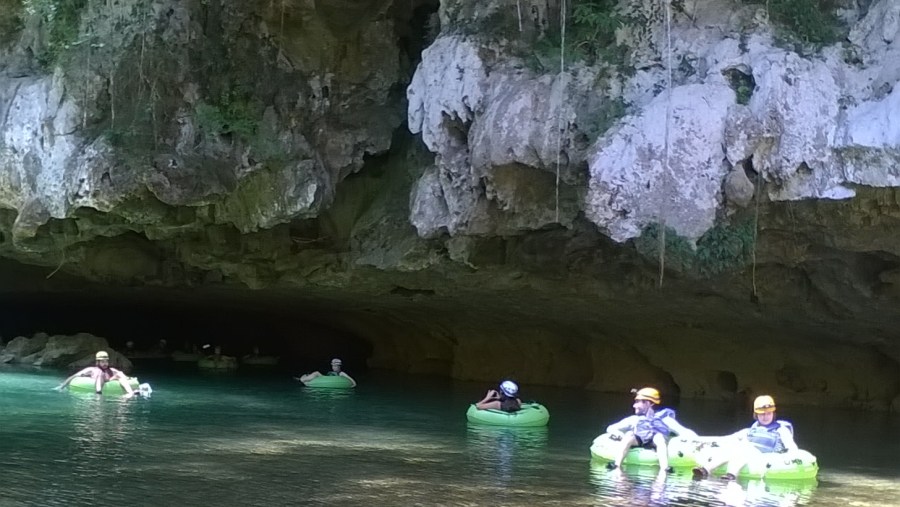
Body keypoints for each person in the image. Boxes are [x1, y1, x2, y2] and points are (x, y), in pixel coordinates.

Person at [692, 395, 798, 480]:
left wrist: (790, 457)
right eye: (762, 414)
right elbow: (730, 438)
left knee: (744, 450)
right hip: (747, 452)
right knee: (732, 448)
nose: (765, 417)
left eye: (768, 414)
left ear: (773, 413)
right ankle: (705, 469)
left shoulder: (780, 429)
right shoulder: (752, 429)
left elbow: (791, 446)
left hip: (763, 456)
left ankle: (731, 474)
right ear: (756, 415)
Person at [604, 387, 698, 474]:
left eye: (638, 402)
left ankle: (664, 468)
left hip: (655, 441)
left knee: (659, 437)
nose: (634, 405)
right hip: (639, 440)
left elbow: (683, 431)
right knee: (629, 434)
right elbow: (611, 428)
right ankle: (616, 464)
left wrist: (697, 439)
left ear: (649, 403)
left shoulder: (664, 419)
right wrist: (618, 434)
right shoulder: (634, 419)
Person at [55, 351, 136, 398]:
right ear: (98, 362)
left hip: (109, 380)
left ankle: (130, 393)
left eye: (106, 361)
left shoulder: (111, 370)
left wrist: (132, 380)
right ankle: (98, 394)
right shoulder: (91, 370)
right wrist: (62, 386)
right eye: (103, 362)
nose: (105, 363)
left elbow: (126, 378)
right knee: (100, 374)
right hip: (98, 382)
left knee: (120, 373)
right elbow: (74, 376)